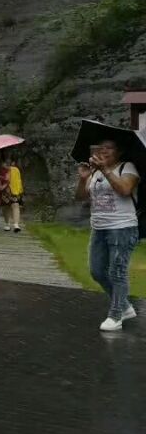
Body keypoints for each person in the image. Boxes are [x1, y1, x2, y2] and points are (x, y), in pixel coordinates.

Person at [76, 138, 140, 332]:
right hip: (99, 228)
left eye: (109, 147)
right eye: (100, 147)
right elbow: (81, 197)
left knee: (117, 272)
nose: (103, 150)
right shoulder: (93, 172)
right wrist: (83, 178)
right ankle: (125, 306)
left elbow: (125, 189)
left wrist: (105, 170)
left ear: (119, 152)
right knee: (96, 271)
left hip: (122, 227)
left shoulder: (127, 167)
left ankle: (116, 315)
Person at [0, 155, 24, 232]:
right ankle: (7, 224)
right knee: (5, 207)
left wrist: (19, 191)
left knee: (15, 205)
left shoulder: (15, 170)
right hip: (4, 191)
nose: (7, 164)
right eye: (5, 163)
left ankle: (16, 224)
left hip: (14, 191)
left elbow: (18, 181)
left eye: (9, 163)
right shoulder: (1, 170)